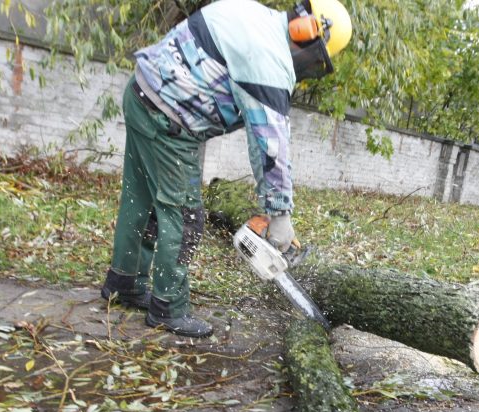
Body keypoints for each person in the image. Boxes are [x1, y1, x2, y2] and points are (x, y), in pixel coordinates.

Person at [100, 0, 352, 337]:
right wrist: (279, 216)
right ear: (307, 36)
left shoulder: (251, 14)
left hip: (141, 94)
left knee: (140, 198)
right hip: (168, 123)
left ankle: (124, 282)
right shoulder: (270, 59)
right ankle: (168, 309)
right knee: (184, 216)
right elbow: (270, 146)